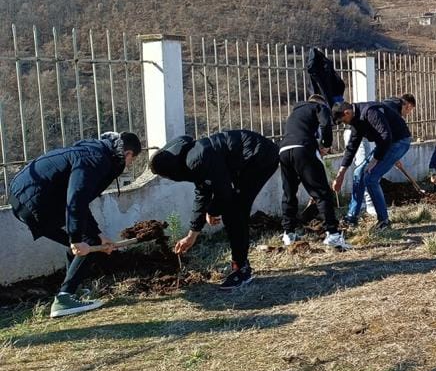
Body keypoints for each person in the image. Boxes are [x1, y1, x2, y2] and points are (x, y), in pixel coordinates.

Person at [8, 131, 142, 317]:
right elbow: (76, 197)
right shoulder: (97, 160)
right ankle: (64, 299)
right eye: (132, 160)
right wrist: (76, 238)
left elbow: (79, 200)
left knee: (89, 240)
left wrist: (98, 234)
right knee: (85, 242)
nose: (130, 165)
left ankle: (70, 289)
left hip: (23, 196)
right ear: (128, 153)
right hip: (36, 201)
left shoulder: (95, 151)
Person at [149, 130, 279, 290]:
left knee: (235, 211)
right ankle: (240, 264)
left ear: (170, 170)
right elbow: (202, 193)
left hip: (260, 155)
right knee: (233, 208)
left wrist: (212, 211)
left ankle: (241, 269)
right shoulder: (189, 158)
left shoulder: (196, 159)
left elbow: (223, 191)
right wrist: (191, 235)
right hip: (250, 157)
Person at [278, 95, 349, 249]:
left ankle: (288, 233)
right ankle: (333, 234)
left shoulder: (295, 113)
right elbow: (325, 124)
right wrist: (326, 144)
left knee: (289, 193)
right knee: (322, 192)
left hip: (284, 150)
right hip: (303, 149)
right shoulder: (319, 107)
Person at [331, 101, 411, 230]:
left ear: (347, 113)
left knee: (370, 177)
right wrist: (340, 175)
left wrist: (374, 161)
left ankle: (384, 221)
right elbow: (351, 147)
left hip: (399, 142)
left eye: (343, 121)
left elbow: (386, 137)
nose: (344, 124)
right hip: (386, 144)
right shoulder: (356, 119)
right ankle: (351, 217)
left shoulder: (370, 112)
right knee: (358, 173)